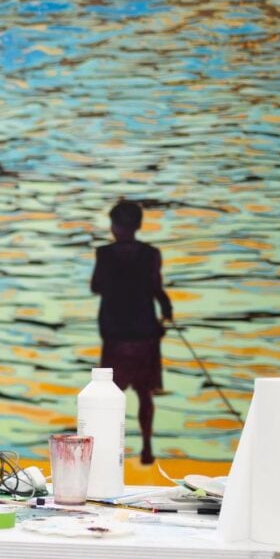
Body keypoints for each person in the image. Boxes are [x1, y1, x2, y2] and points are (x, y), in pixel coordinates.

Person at [90, 199, 174, 465]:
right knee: (144, 393)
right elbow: (157, 290)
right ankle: (147, 446)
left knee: (111, 395)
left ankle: (109, 450)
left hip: (115, 334)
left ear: (114, 227)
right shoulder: (151, 254)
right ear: (138, 225)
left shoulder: (104, 254)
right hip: (144, 334)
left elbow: (96, 286)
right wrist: (167, 311)